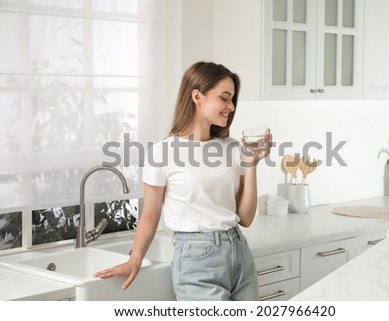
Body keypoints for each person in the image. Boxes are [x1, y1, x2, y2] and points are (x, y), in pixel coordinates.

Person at [94, 61, 271, 301]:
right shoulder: (163, 152)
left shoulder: (232, 148)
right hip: (197, 259)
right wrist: (134, 260)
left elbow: (246, 218)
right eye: (224, 98)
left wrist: (251, 165)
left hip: (239, 250)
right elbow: (151, 213)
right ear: (197, 96)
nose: (230, 107)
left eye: (232, 99)